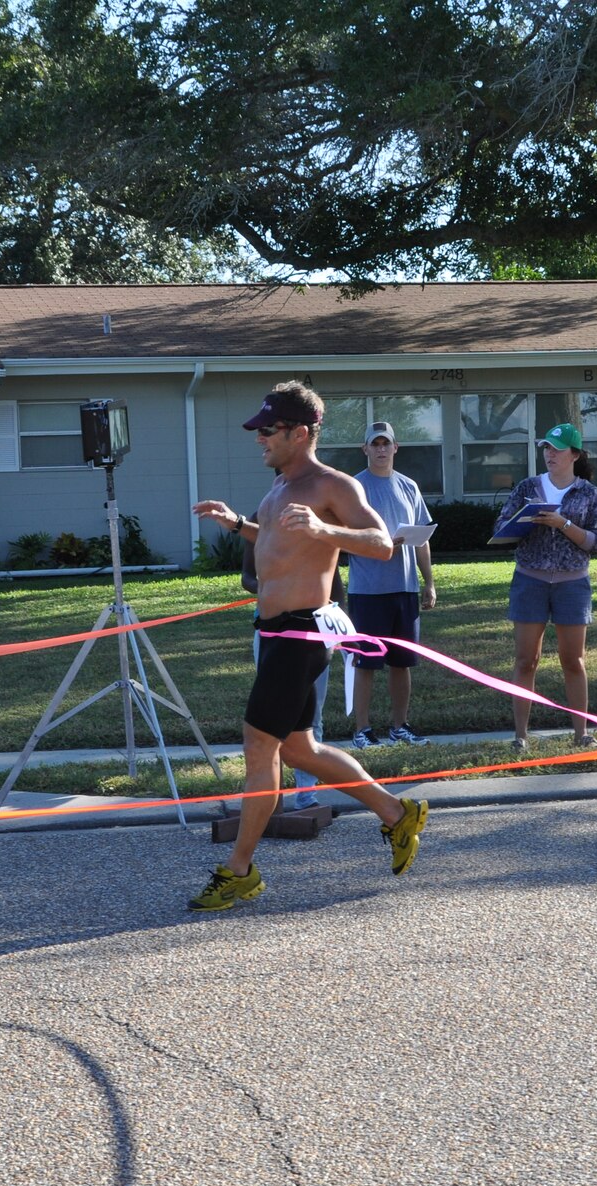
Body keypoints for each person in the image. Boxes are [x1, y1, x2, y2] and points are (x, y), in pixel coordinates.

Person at [189, 382, 428, 911]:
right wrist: (237, 525)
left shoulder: (332, 486)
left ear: (300, 433)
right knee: (299, 749)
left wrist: (325, 528)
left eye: (267, 431)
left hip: (301, 634)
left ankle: (239, 870)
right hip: (274, 635)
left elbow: (383, 543)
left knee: (259, 747)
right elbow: (277, 544)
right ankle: (396, 813)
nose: (259, 440)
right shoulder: (277, 490)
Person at [499, 422, 597, 748]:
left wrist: (563, 524)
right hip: (529, 580)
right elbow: (501, 527)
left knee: (573, 661)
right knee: (525, 661)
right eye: (546, 448)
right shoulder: (528, 488)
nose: (550, 454)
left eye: (557, 449)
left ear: (574, 454)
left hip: (572, 585)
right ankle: (520, 736)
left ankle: (582, 734)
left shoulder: (588, 493)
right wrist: (522, 521)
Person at [242, 535, 349, 811]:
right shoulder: (260, 517)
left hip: (314, 631)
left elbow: (335, 582)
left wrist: (340, 629)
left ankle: (306, 795)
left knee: (312, 718)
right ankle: (270, 801)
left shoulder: (316, 520)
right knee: (269, 721)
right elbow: (247, 577)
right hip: (271, 632)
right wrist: (272, 589)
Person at [348, 419, 436, 748]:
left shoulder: (409, 487)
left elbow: (422, 538)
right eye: (375, 443)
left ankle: (400, 726)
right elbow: (341, 538)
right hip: (368, 590)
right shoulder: (353, 488)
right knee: (367, 662)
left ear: (396, 448)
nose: (381, 449)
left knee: (402, 662)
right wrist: (381, 543)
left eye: (387, 443)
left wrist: (428, 583)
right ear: (365, 449)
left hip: (404, 588)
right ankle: (362, 730)